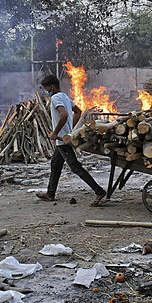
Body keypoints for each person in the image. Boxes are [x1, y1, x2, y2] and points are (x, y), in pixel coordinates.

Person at [36, 74, 107, 206]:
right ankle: (50, 193)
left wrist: (56, 132)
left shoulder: (56, 98)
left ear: (52, 86)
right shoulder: (65, 96)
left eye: (47, 89)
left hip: (62, 140)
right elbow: (78, 112)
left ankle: (99, 191)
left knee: (75, 167)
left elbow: (64, 114)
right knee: (55, 165)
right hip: (63, 139)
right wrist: (70, 129)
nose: (46, 92)